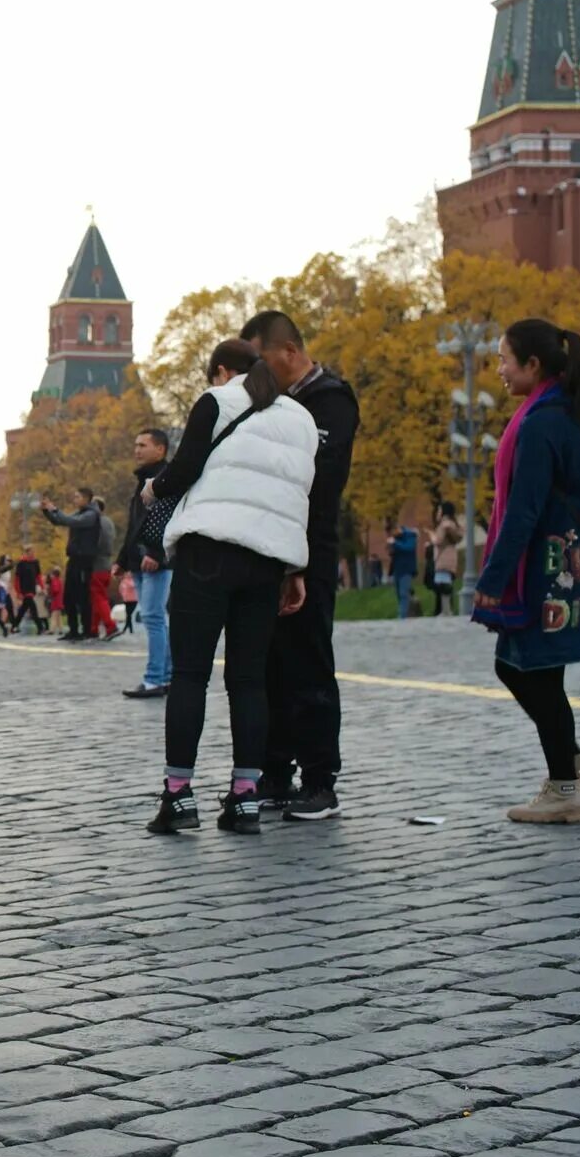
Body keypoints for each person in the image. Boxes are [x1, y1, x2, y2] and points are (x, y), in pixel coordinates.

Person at [144, 338, 317, 836]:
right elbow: (300, 493)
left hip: (208, 551)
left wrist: (153, 488)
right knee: (248, 680)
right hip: (266, 560)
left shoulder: (217, 400)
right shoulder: (300, 418)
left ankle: (178, 796)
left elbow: (186, 469)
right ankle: (244, 797)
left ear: (222, 371)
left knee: (191, 675)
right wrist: (294, 568)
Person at [473, 319, 580, 824]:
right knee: (529, 670)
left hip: (546, 571)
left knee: (527, 670)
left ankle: (566, 788)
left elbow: (523, 512)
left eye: (505, 359)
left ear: (533, 365)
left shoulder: (538, 425)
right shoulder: (571, 415)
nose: (500, 370)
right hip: (573, 568)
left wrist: (492, 580)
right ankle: (575, 768)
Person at [243, 311, 361, 821]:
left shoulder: (329, 399)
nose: (256, 373)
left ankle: (319, 779)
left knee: (308, 661)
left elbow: (320, 478)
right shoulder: (276, 404)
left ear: (288, 350)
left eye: (261, 360)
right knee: (269, 662)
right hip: (269, 546)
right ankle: (274, 769)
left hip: (309, 548)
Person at [117, 427, 176, 699]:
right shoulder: (144, 479)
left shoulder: (165, 478)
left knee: (153, 618)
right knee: (157, 619)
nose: (136, 449)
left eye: (143, 445)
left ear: (160, 449)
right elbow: (135, 525)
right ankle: (165, 677)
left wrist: (155, 552)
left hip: (153, 561)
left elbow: (166, 517)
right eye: (135, 444)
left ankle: (154, 679)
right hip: (140, 560)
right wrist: (122, 559)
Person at [40, 488, 101, 640]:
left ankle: (86, 629)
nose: (75, 499)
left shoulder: (91, 515)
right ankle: (73, 630)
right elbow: (61, 520)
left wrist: (55, 509)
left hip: (84, 560)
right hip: (74, 558)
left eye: (77, 497)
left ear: (86, 498)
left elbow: (71, 521)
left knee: (82, 596)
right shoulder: (80, 513)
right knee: (69, 597)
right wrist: (48, 511)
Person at [91, 499, 121, 639]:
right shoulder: (108, 522)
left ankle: (110, 626)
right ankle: (93, 628)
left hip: (96, 564)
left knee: (98, 596)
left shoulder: (95, 522)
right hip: (107, 564)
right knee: (97, 597)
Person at [429, 502, 463, 616]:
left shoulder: (444, 525)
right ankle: (446, 609)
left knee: (443, 585)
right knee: (444, 583)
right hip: (450, 556)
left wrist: (431, 535)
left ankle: (446, 610)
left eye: (439, 510)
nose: (438, 513)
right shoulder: (453, 524)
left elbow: (438, 540)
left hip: (443, 557)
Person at [386, 519, 419, 620]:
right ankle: (403, 613)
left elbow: (409, 548)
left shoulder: (410, 535)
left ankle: (402, 616)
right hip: (397, 569)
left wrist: (395, 543)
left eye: (392, 533)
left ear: (396, 529)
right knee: (398, 593)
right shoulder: (396, 538)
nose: (392, 535)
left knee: (403, 593)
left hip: (407, 568)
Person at [13, 546, 47, 634]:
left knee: (24, 608)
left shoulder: (35, 563)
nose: (32, 554)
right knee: (32, 607)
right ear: (27, 553)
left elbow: (38, 576)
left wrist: (42, 587)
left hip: (32, 588)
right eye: (31, 552)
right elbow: (17, 578)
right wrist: (18, 591)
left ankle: (14, 625)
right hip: (24, 588)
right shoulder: (21, 563)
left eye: (33, 552)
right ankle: (40, 627)